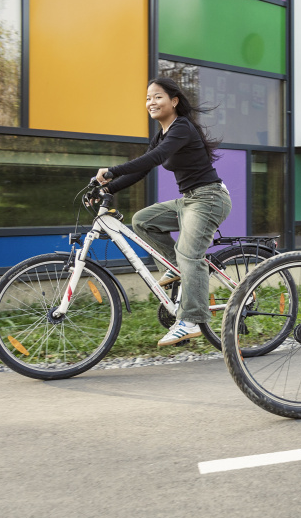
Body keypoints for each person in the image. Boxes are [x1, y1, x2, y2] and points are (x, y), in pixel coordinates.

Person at [95, 77, 232, 347]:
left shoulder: (182, 128)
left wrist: (112, 171)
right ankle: (176, 268)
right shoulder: (161, 134)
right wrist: (108, 190)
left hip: (209, 198)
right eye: (148, 98)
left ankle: (191, 320)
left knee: (189, 254)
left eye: (158, 96)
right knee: (142, 221)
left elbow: (154, 159)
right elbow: (142, 170)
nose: (151, 102)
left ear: (174, 101)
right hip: (189, 200)